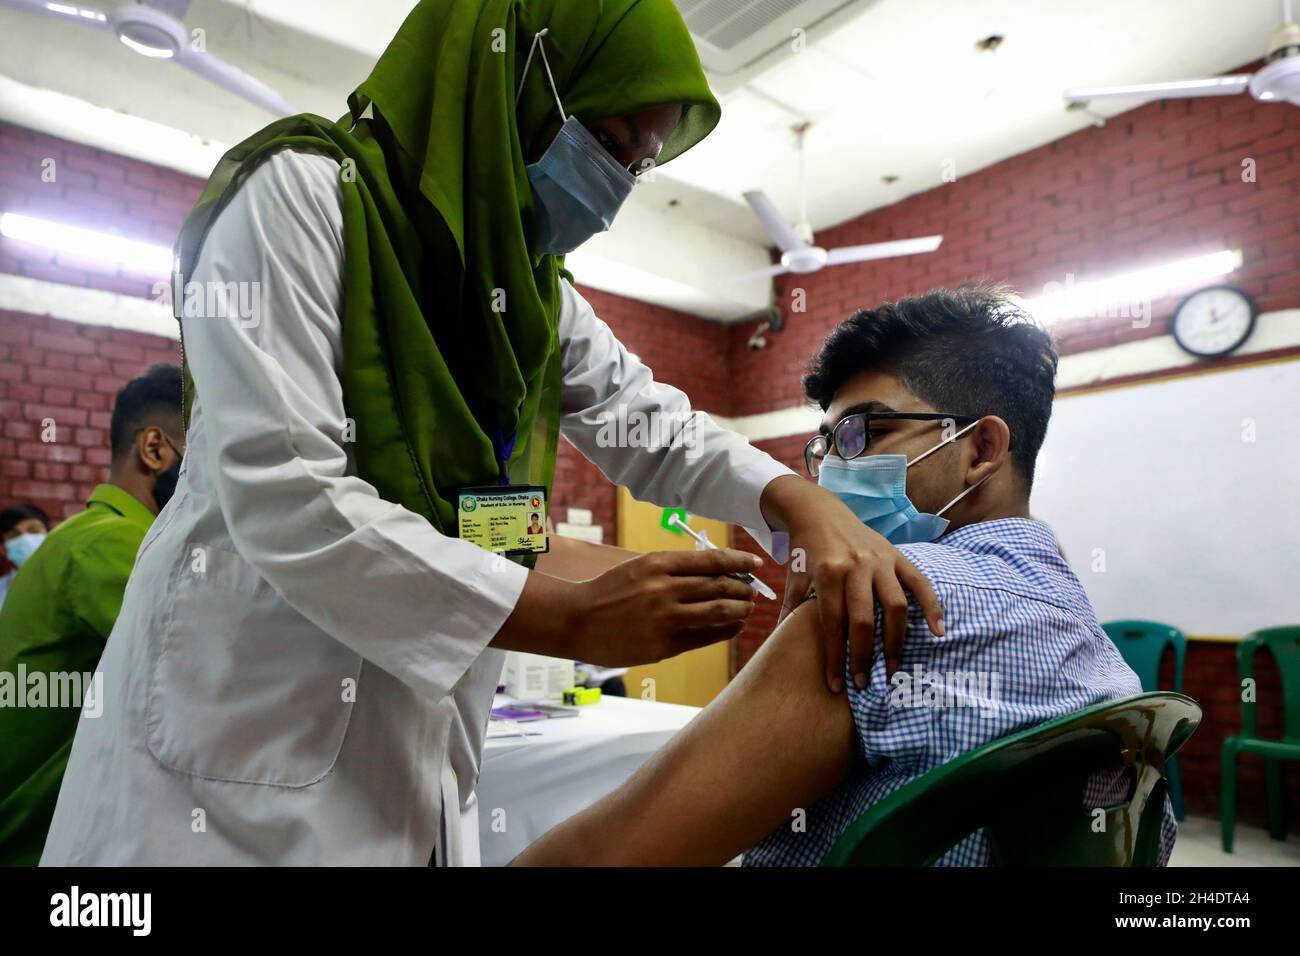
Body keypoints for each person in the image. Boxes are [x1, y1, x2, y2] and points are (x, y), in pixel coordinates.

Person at [42, 0, 941, 867]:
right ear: (513, 79)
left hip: (408, 757)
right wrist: (573, 616)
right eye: (609, 140)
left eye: (640, 165)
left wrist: (794, 499)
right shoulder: (302, 198)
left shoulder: (533, 298)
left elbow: (647, 421)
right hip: (228, 752)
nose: (616, 186)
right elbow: (287, 493)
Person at [512, 284, 1177, 866]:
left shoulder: (873, 605)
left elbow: (603, 856)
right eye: (823, 445)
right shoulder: (1070, 614)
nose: (829, 471)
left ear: (980, 449)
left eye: (861, 435)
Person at [0, 364, 184, 865]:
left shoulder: (80, 535)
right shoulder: (116, 544)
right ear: (155, 449)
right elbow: (211, 676)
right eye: (206, 456)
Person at [0, 504, 50, 609]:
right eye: (14, 535)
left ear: (50, 536)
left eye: (34, 531)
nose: (25, 539)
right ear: (3, 549)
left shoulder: (70, 586)